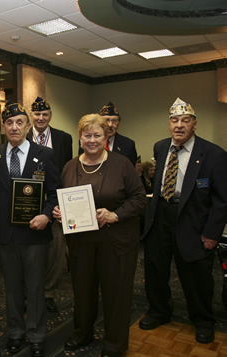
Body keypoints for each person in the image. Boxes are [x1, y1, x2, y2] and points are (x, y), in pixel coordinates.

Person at [53, 113, 146, 357]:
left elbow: (139, 198)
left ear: (106, 137)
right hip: (81, 242)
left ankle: (114, 343)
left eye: (97, 135)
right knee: (82, 291)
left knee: (115, 293)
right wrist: (59, 211)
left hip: (115, 241)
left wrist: (115, 214)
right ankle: (82, 332)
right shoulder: (70, 166)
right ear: (80, 137)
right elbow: (62, 198)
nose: (92, 140)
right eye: (87, 135)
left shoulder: (121, 164)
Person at [139, 98, 227, 344]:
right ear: (169, 124)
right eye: (175, 120)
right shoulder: (160, 147)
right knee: (155, 269)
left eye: (185, 121)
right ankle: (159, 311)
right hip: (160, 217)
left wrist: (212, 233)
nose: (179, 125)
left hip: (193, 219)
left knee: (196, 274)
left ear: (194, 125)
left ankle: (202, 320)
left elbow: (222, 200)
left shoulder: (213, 154)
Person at [0, 101, 61, 357]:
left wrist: (45, 215)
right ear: (3, 127)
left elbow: (55, 193)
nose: (14, 127)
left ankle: (37, 334)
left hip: (35, 234)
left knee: (35, 287)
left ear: (28, 126)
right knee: (12, 288)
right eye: (9, 122)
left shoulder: (46, 155)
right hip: (5, 235)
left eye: (20, 122)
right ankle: (16, 332)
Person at [27, 96, 72, 313]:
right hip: (27, 200)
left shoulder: (64, 138)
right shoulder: (22, 136)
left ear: (50, 116)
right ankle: (30, 292)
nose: (41, 118)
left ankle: (48, 292)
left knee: (55, 249)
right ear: (31, 116)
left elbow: (68, 171)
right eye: (37, 114)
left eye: (45, 114)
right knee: (30, 250)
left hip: (55, 201)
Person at [80, 102, 137, 166]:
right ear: (100, 122)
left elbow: (131, 172)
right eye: (107, 120)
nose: (110, 125)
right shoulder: (87, 142)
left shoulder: (128, 145)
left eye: (114, 120)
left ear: (119, 123)